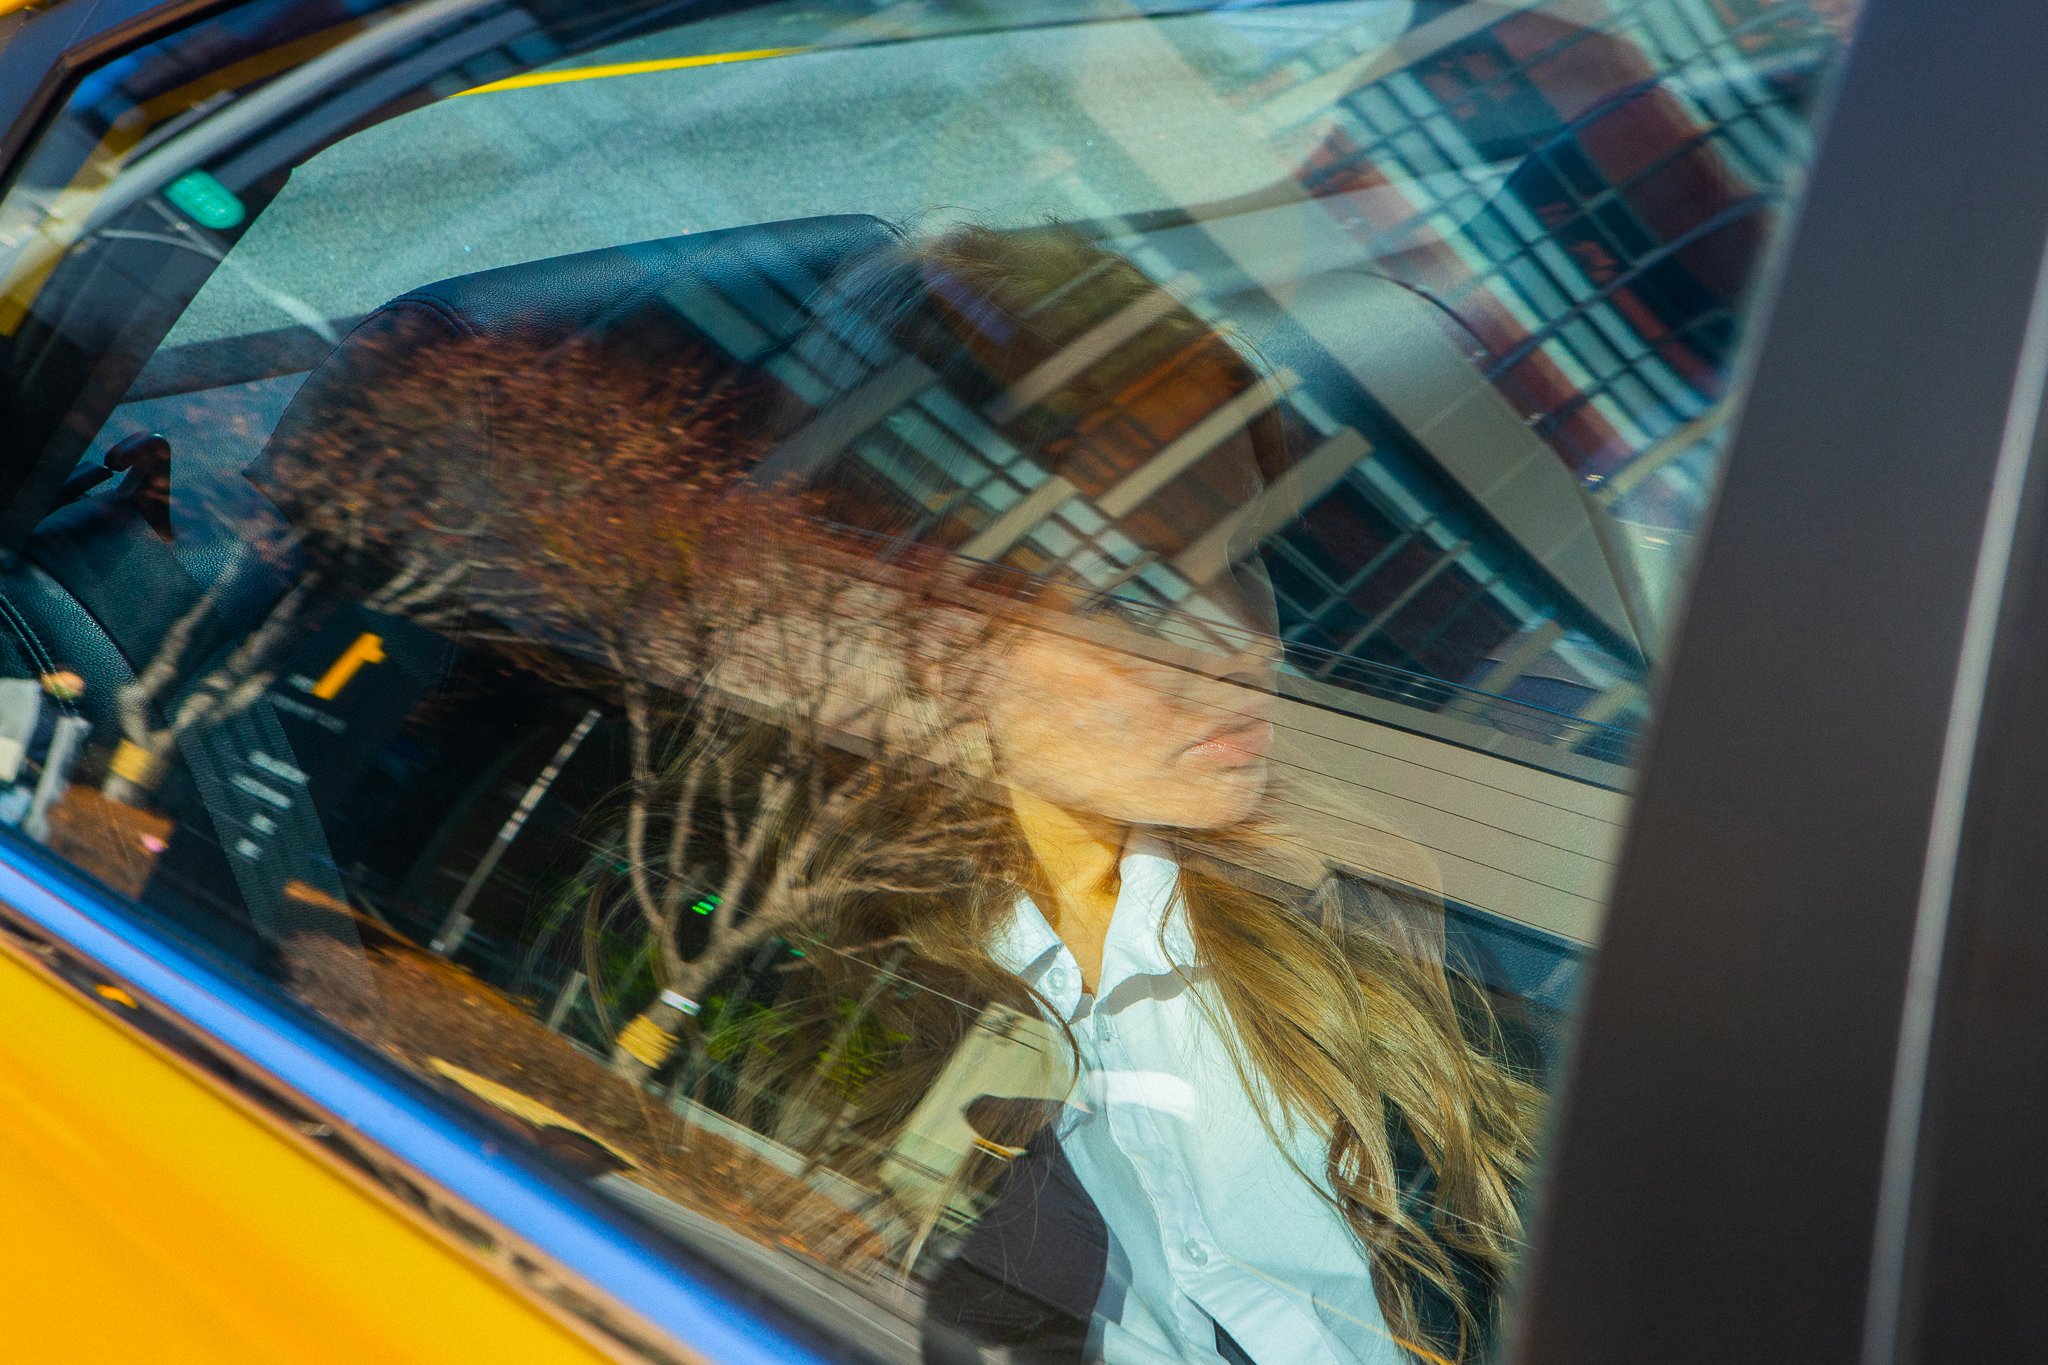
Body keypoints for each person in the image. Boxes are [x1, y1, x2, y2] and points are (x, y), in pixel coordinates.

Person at [723, 224, 1546, 1365]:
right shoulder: (839, 966)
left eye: (1242, 554)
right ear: (929, 634)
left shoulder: (1367, 915)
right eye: (1137, 593)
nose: (1248, 640)